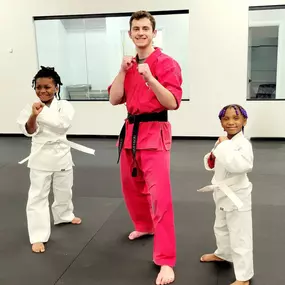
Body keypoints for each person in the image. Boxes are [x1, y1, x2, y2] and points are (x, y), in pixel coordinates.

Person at [108, 10, 183, 285]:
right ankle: (144, 225)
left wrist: (150, 77)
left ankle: (165, 260)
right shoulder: (127, 65)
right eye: (135, 29)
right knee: (130, 187)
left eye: (145, 28)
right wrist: (121, 71)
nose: (140, 33)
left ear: (153, 33)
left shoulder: (166, 63)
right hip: (130, 133)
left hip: (155, 134)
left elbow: (172, 102)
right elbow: (115, 99)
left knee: (160, 198)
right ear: (130, 34)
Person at [17, 66, 95, 254]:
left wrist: (40, 115)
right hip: (40, 156)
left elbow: (62, 125)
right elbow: (29, 130)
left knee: (64, 188)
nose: (42, 91)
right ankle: (37, 236)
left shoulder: (65, 106)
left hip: (61, 152)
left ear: (57, 88)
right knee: (38, 195)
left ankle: (64, 215)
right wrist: (34, 116)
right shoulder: (31, 108)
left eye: (47, 87)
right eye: (38, 87)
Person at [198, 104, 254, 285]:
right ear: (221, 122)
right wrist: (212, 157)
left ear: (244, 121)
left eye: (236, 118)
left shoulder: (243, 144)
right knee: (220, 226)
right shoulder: (223, 141)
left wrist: (223, 147)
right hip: (222, 192)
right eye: (226, 118)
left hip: (237, 196)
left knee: (240, 235)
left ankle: (244, 277)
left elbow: (241, 166)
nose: (231, 122)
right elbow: (215, 160)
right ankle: (223, 254)